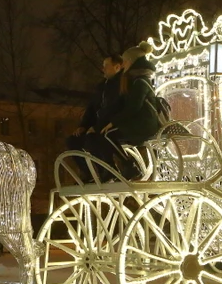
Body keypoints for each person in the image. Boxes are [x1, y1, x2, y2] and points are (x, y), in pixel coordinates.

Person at [84, 42, 160, 180]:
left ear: (131, 61)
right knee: (106, 134)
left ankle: (129, 166)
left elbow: (133, 107)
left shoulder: (140, 82)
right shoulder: (136, 80)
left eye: (125, 61)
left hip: (146, 124)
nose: (123, 65)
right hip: (140, 122)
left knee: (108, 134)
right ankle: (118, 168)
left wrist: (113, 122)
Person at [67, 55, 123, 177]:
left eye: (106, 66)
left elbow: (113, 109)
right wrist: (83, 126)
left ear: (117, 67)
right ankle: (88, 173)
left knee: (91, 139)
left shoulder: (121, 85)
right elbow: (92, 108)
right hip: (99, 126)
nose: (103, 69)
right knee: (73, 141)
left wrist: (97, 127)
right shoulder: (102, 87)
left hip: (112, 126)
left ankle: (107, 171)